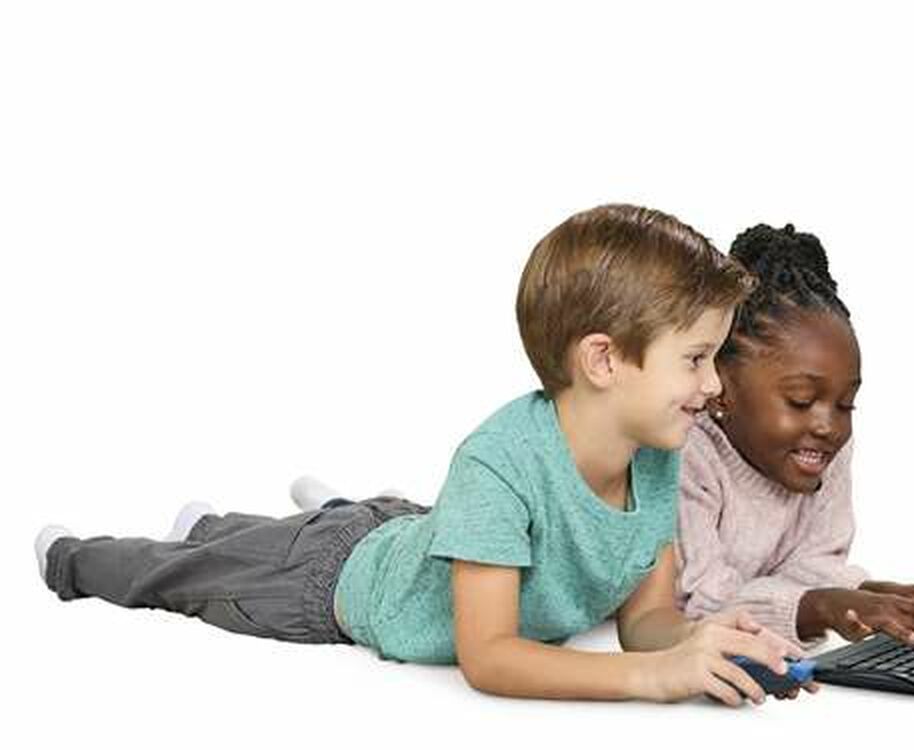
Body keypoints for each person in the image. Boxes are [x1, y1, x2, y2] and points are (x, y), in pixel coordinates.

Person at [36, 204, 809, 707]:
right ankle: (77, 557)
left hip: (414, 529)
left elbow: (646, 620)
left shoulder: (657, 453)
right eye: (696, 359)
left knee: (355, 525)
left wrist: (705, 641)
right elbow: (490, 656)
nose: (714, 386)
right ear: (604, 360)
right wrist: (651, 678)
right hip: (332, 585)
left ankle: (247, 522)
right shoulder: (498, 464)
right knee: (180, 578)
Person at [675, 223, 914, 689]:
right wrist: (827, 606)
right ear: (721, 388)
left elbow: (813, 565)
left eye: (846, 404)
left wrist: (886, 596)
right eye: (801, 400)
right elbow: (696, 606)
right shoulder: (686, 453)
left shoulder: (819, 449)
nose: (828, 426)